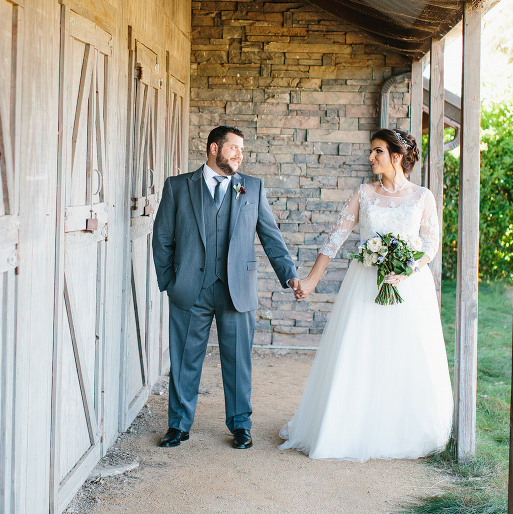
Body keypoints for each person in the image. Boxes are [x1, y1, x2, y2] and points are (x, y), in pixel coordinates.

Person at [278, 128, 452, 461]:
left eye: (377, 152)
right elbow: (335, 238)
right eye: (371, 152)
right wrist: (311, 279)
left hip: (409, 286)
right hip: (365, 282)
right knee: (361, 351)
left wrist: (409, 269)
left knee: (405, 354)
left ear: (396, 157)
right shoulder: (364, 193)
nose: (371, 158)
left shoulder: (422, 196)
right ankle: (350, 427)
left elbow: (431, 244)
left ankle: (402, 430)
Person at [152, 125, 300, 449]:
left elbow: (271, 237)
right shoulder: (178, 187)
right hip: (190, 288)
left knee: (237, 360)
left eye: (242, 150)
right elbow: (162, 238)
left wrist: (289, 274)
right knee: (185, 358)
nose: (240, 155)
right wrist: (169, 283)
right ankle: (178, 425)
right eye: (234, 148)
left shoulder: (252, 188)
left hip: (237, 288)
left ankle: (240, 426)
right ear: (214, 149)